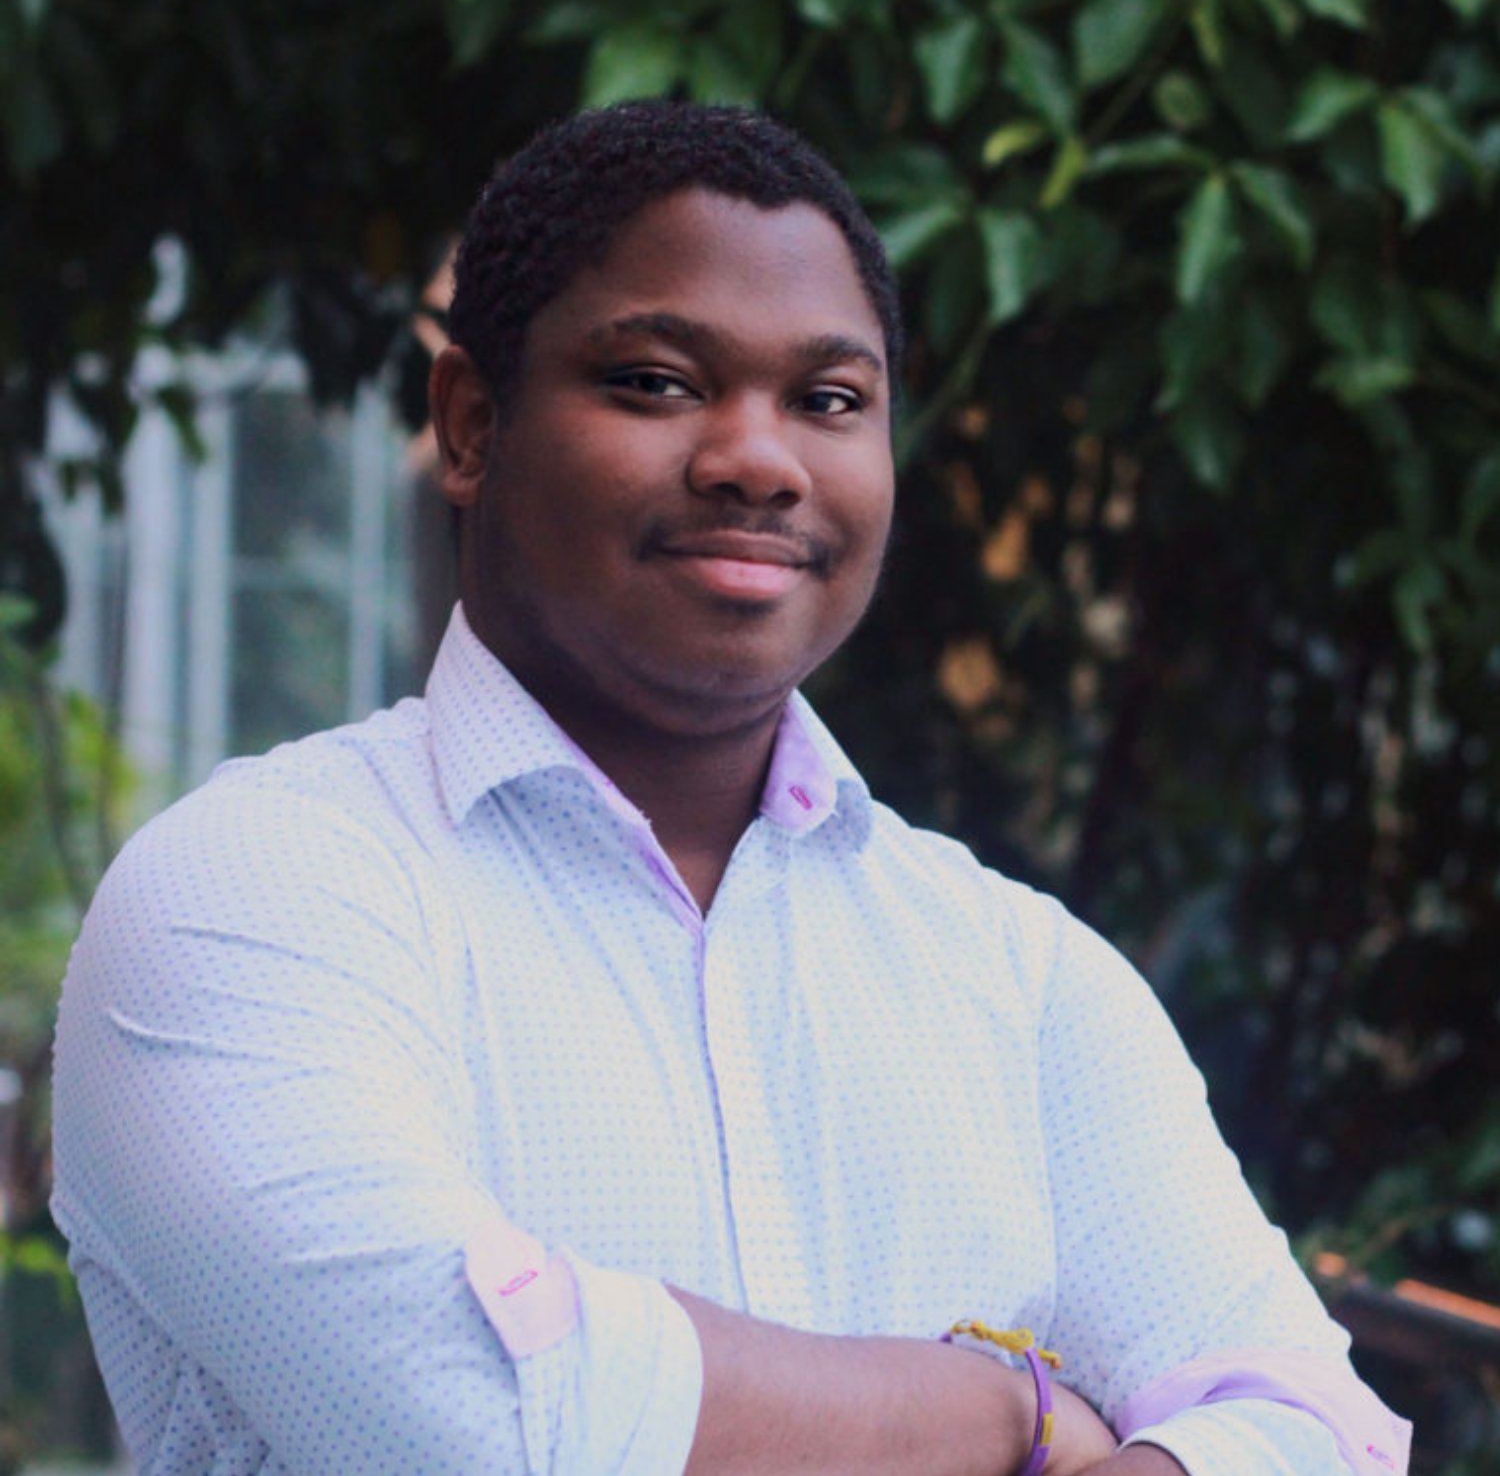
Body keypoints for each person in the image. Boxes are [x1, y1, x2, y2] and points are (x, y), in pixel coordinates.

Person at [51, 102, 1410, 1476]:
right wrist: (1010, 1409)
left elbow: (1320, 1431)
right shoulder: (253, 893)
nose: (760, 459)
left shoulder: (1020, 979)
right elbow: (503, 1425)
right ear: (469, 424)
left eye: (829, 401)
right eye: (655, 381)